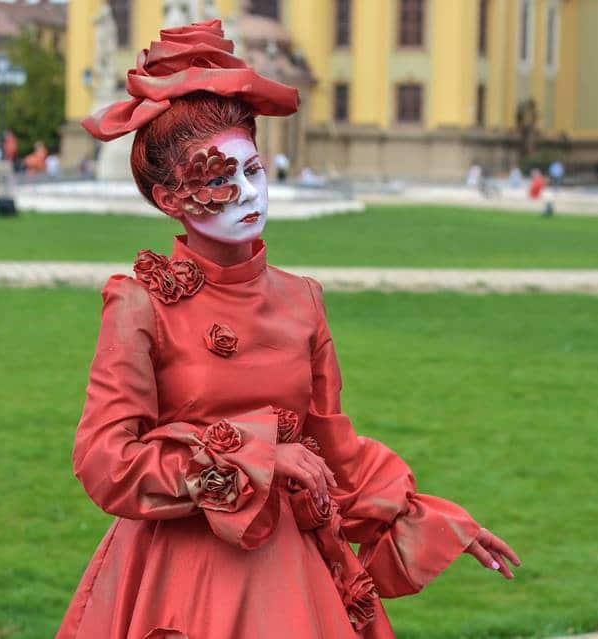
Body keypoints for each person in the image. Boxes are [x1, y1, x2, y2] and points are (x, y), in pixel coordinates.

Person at [56, 20, 520, 639]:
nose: (249, 193)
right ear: (168, 199)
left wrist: (427, 519)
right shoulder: (141, 303)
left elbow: (331, 449)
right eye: (219, 178)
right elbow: (105, 460)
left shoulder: (302, 300)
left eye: (253, 170)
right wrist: (257, 459)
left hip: (292, 572)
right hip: (179, 576)